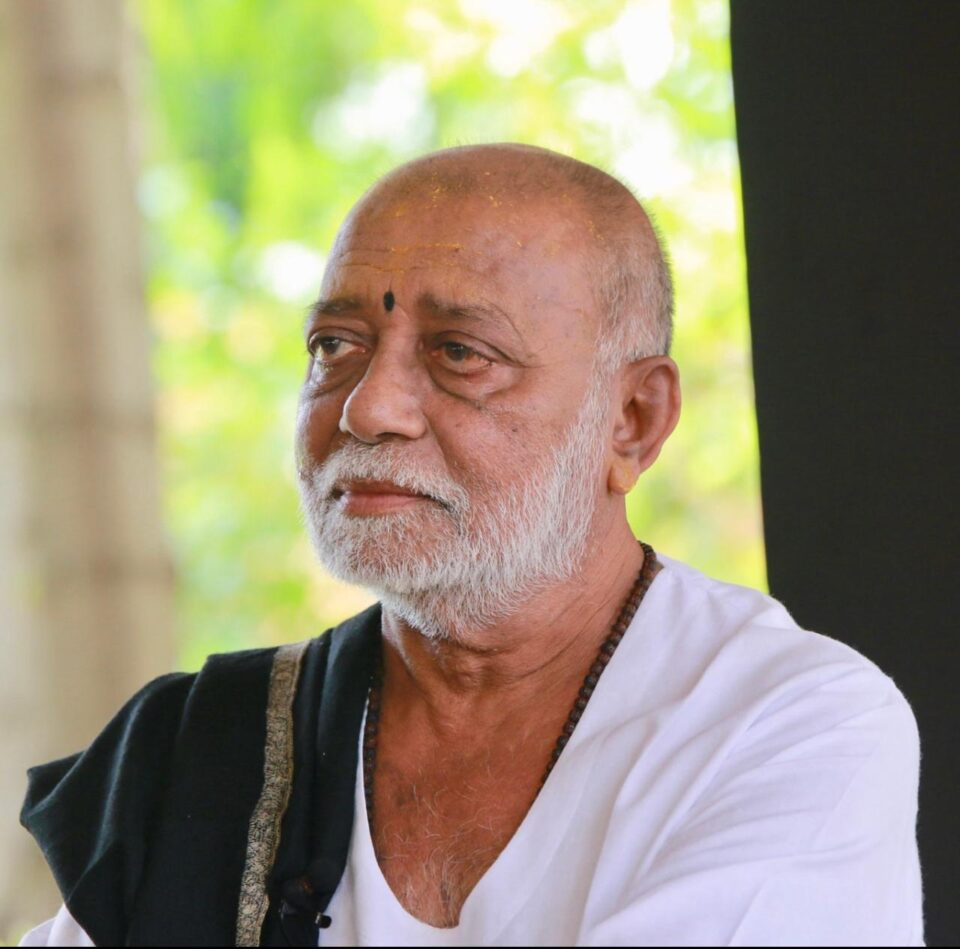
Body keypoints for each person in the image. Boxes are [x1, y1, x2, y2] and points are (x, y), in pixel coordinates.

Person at [19, 144, 923, 947]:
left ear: (633, 419)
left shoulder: (782, 722)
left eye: (460, 352)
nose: (368, 407)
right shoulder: (206, 750)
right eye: (335, 344)